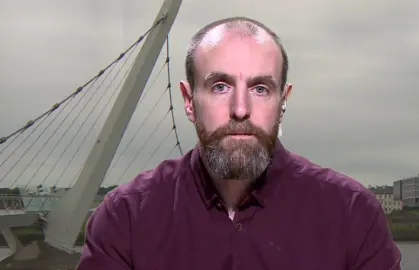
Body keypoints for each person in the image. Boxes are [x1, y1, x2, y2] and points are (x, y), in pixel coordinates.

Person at [76, 17, 402, 269]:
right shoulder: (126, 217)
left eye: (261, 88)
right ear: (188, 101)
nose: (241, 109)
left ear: (282, 100)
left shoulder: (353, 214)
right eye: (220, 86)